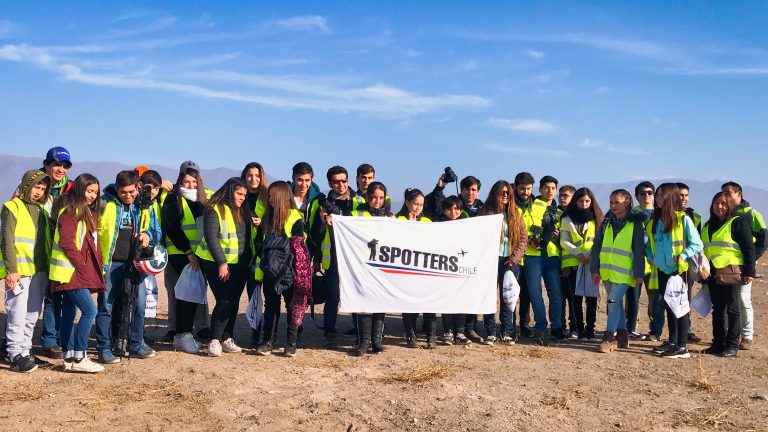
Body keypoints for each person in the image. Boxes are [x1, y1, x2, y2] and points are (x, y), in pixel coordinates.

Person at [96, 170, 161, 364]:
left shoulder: (144, 207)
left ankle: (136, 342)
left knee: (139, 304)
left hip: (135, 265)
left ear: (138, 187)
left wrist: (148, 235)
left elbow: (156, 231)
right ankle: (104, 347)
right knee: (106, 306)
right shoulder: (104, 204)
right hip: (110, 264)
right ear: (117, 189)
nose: (128, 196)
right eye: (124, 192)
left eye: (132, 191)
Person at [48, 174, 105, 373]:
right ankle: (80, 357)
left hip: (69, 272)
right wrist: (81, 264)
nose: (93, 196)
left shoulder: (82, 211)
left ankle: (69, 357)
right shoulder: (72, 211)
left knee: (69, 313)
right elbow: (66, 242)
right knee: (90, 310)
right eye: (90, 191)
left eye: (96, 192)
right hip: (71, 272)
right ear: (80, 189)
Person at [195, 177, 254, 357]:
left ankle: (227, 337)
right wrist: (221, 262)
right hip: (218, 265)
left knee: (234, 302)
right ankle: (214, 340)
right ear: (229, 191)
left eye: (244, 195)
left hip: (240, 264)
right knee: (225, 300)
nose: (242, 197)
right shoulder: (214, 210)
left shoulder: (243, 210)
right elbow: (212, 238)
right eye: (239, 193)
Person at [1, 170, 51, 373]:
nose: (38, 192)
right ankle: (14, 354)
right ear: (26, 185)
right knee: (17, 313)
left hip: (39, 269)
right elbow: (6, 241)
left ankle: (25, 350)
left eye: (42, 189)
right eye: (36, 187)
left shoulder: (42, 211)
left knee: (32, 314)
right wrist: (11, 270)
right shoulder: (11, 207)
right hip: (19, 271)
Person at [646, 183, 703, 359]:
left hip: (678, 271)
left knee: (681, 308)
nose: (658, 199)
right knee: (669, 306)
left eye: (662, 195)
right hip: (662, 270)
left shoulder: (682, 219)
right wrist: (650, 257)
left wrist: (683, 255)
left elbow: (697, 244)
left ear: (671, 197)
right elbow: (649, 243)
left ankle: (682, 347)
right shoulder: (654, 222)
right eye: (657, 196)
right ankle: (672, 342)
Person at [162, 161, 210, 354]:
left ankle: (182, 335)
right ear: (179, 181)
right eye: (186, 181)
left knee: (193, 295)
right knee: (183, 296)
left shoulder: (204, 198)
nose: (190, 185)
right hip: (180, 255)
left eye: (193, 182)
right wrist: (188, 253)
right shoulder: (173, 199)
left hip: (199, 255)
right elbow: (171, 228)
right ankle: (184, 334)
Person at [256, 181, 308, 357]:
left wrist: (288, 268)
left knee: (292, 305)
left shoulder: (295, 217)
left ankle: (291, 342)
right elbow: (258, 242)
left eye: (273, 196)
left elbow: (298, 247)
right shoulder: (266, 218)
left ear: (283, 196)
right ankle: (268, 341)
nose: (270, 199)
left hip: (289, 271)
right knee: (271, 305)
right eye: (269, 196)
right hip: (269, 270)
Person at [590, 189, 645, 354]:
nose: (613, 205)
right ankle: (622, 336)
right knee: (617, 304)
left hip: (624, 273)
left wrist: (639, 273)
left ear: (627, 203)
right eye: (611, 202)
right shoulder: (606, 222)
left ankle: (608, 337)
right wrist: (594, 268)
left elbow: (639, 249)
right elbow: (597, 245)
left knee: (612, 301)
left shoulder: (635, 223)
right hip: (606, 271)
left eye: (617, 202)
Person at [310, 166, 360, 347]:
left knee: (357, 293)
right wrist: (316, 259)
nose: (341, 184)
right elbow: (316, 233)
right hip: (332, 259)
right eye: (336, 181)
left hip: (355, 259)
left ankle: (358, 328)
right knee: (333, 296)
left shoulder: (358, 201)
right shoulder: (321, 204)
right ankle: (329, 330)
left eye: (344, 181)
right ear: (330, 183)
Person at [702, 192, 755, 357]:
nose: (719, 207)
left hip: (732, 272)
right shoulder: (707, 225)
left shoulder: (737, 222)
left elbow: (748, 248)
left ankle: (732, 345)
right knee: (718, 309)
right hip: (712, 273)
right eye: (716, 203)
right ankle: (718, 343)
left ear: (730, 205)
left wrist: (749, 272)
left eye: (723, 204)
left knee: (733, 309)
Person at [478, 181, 528, 345]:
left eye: (508, 193)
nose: (505, 195)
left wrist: (514, 258)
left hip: (510, 261)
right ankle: (490, 331)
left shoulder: (515, 215)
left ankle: (506, 331)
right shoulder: (485, 213)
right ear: (495, 193)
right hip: (490, 261)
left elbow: (523, 239)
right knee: (489, 297)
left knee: (508, 297)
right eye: (502, 192)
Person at [519, 174, 565, 343]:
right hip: (532, 254)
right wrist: (532, 239)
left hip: (552, 256)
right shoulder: (531, 205)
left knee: (556, 294)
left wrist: (557, 234)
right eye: (547, 187)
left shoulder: (560, 211)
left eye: (553, 188)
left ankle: (557, 327)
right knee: (535, 294)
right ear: (540, 189)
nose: (550, 191)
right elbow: (525, 226)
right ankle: (540, 327)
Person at [721, 181, 766, 350]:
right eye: (723, 193)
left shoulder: (751, 214)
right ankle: (731, 334)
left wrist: (751, 260)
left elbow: (763, 239)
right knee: (728, 302)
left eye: (728, 193)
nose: (725, 196)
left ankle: (747, 335)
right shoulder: (724, 214)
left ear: (739, 194)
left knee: (742, 299)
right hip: (727, 267)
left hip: (744, 266)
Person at [350, 182, 392, 355]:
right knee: (364, 303)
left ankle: (377, 340)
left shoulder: (390, 217)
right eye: (374, 197)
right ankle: (364, 341)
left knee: (379, 301)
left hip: (382, 266)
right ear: (368, 197)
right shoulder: (355, 213)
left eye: (381, 198)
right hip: (362, 265)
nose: (377, 201)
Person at [560, 188, 603, 341]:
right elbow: (564, 240)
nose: (584, 204)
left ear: (591, 202)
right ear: (575, 201)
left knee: (591, 299)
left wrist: (588, 254)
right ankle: (579, 330)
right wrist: (578, 253)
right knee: (575, 299)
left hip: (591, 264)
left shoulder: (598, 218)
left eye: (587, 201)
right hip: (572, 263)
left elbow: (600, 241)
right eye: (580, 201)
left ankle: (590, 330)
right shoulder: (566, 218)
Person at [396, 188, 436, 348]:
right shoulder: (397, 220)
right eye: (415, 204)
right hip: (405, 269)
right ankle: (410, 334)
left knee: (428, 303)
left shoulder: (427, 222)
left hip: (424, 269)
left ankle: (431, 336)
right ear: (407, 203)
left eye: (421, 205)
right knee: (408, 303)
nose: (418, 207)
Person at [436, 195, 473, 346]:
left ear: (461, 210)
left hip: (461, 268)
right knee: (447, 300)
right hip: (445, 268)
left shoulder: (466, 225)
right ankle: (448, 332)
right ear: (444, 210)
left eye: (457, 209)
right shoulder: (438, 225)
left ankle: (460, 331)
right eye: (450, 209)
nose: (453, 212)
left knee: (461, 300)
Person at [241, 162, 268, 346]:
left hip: (261, 252)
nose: (253, 179)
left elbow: (277, 220)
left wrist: (263, 224)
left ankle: (259, 334)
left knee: (257, 295)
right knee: (250, 295)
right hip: (242, 252)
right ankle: (254, 332)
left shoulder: (267, 196)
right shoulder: (238, 195)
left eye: (257, 175)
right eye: (250, 175)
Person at [629, 181, 656, 341]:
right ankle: (632, 327)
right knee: (633, 297)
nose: (646, 195)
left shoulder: (659, 213)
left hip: (654, 263)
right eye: (642, 193)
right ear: (636, 196)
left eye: (649, 192)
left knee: (654, 298)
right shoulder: (631, 214)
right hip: (635, 262)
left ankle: (654, 330)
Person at [677, 182, 703, 343]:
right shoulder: (665, 215)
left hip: (687, 263)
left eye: (686, 195)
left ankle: (686, 330)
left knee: (686, 297)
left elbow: (698, 242)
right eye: (680, 195)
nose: (684, 198)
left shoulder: (695, 216)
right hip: (670, 264)